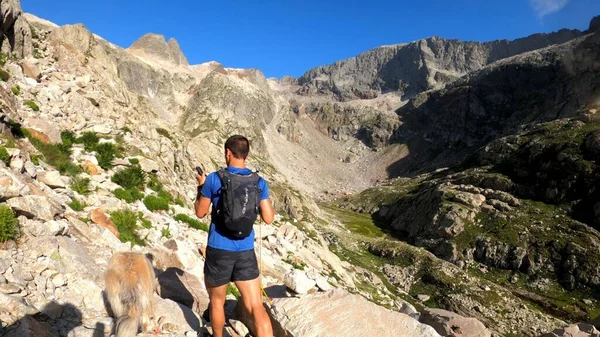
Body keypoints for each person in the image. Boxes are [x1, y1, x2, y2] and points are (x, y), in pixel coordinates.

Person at [194, 135, 274, 337]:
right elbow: (269, 218)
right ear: (246, 154)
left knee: (217, 302)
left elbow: (200, 212)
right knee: (256, 305)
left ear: (228, 153)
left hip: (219, 249)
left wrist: (201, 186)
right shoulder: (258, 182)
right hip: (245, 250)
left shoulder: (214, 179)